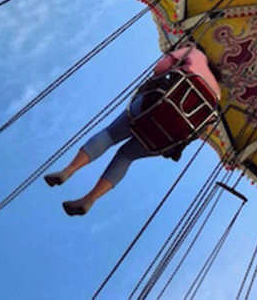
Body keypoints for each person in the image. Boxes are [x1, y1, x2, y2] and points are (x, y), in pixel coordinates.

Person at [44, 46, 221, 216]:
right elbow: (202, 129)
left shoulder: (194, 53)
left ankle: (68, 170)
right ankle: (89, 200)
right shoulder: (217, 96)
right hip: (169, 137)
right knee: (126, 156)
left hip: (154, 108)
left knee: (111, 135)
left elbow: (161, 68)